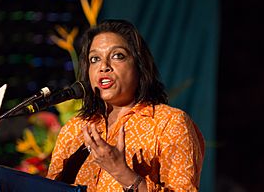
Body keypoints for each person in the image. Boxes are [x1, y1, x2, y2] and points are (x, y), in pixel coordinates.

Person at [46, 19, 205, 191]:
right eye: (94, 59)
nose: (103, 66)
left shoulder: (169, 123)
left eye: (117, 56)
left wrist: (121, 172)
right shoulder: (74, 129)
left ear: (139, 65)